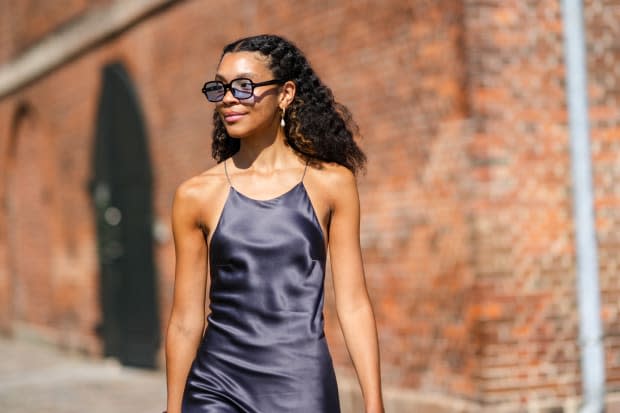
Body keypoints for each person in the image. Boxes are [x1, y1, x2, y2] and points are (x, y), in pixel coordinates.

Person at [165, 34, 384, 413]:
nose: (229, 98)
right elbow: (185, 320)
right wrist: (172, 408)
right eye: (221, 88)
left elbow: (353, 304)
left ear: (285, 94)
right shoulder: (195, 195)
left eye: (244, 86)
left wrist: (374, 404)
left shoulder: (333, 184)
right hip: (215, 386)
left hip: (301, 386)